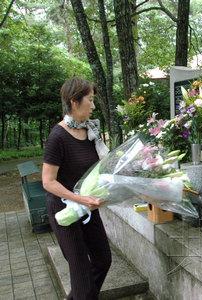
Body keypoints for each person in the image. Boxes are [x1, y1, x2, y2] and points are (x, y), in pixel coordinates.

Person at [42, 77, 111, 300]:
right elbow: (48, 181)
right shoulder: (58, 137)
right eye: (89, 100)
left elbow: (99, 168)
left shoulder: (90, 132)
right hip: (65, 211)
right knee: (81, 275)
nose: (93, 105)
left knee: (102, 260)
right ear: (74, 101)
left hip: (87, 209)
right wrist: (81, 200)